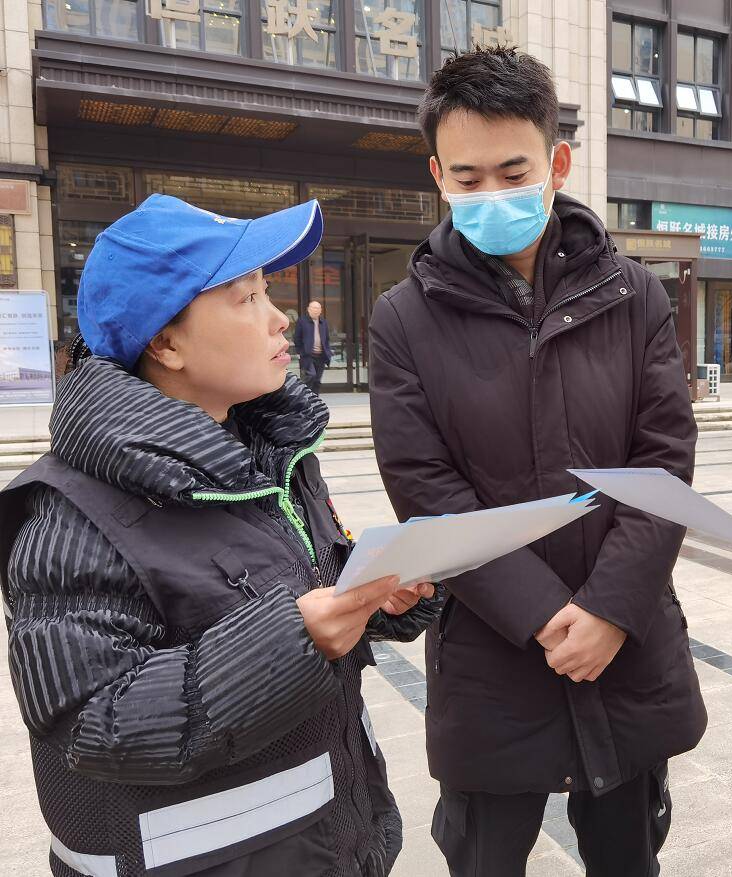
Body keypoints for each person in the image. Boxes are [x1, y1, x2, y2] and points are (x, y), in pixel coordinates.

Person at [0, 193, 441, 877]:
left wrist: (377, 593)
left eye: (268, 290)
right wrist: (295, 639)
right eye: (244, 298)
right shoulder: (72, 513)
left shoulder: (270, 458)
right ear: (165, 341)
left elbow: (294, 588)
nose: (278, 316)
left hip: (332, 847)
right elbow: (91, 723)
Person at [368, 47, 706, 876]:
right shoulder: (402, 319)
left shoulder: (634, 295)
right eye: (467, 176)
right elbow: (425, 489)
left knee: (628, 855)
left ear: (556, 161)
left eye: (511, 169)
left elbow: (661, 458)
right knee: (486, 858)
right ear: (437, 176)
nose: (490, 194)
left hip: (623, 646)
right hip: (493, 654)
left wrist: (612, 610)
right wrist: (546, 615)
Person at [294, 299, 333, 393]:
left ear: (321, 310)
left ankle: (315, 401)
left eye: (318, 308)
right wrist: (300, 352)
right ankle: (307, 399)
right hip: (308, 356)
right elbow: (297, 338)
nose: (316, 310)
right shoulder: (302, 321)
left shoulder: (323, 322)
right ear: (308, 309)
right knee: (310, 377)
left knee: (317, 381)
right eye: (314, 308)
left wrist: (328, 351)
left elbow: (327, 339)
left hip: (321, 356)